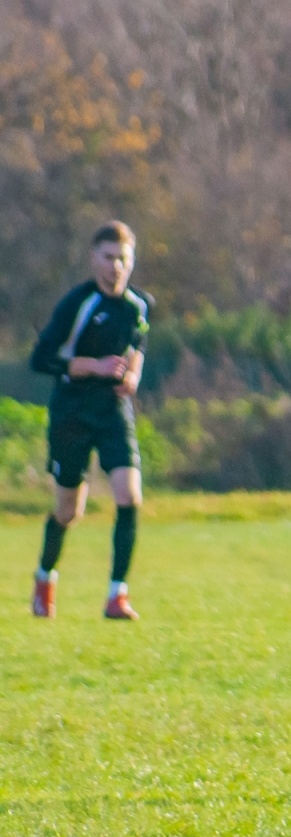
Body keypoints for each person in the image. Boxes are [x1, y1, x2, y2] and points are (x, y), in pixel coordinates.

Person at [28, 221, 150, 621]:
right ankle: (45, 576)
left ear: (132, 262)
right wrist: (92, 366)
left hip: (113, 411)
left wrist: (132, 375)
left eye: (123, 259)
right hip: (72, 412)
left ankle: (117, 595)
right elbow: (41, 358)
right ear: (93, 258)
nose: (115, 266)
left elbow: (138, 344)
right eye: (108, 257)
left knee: (129, 496)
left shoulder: (138, 305)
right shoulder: (75, 304)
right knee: (68, 511)